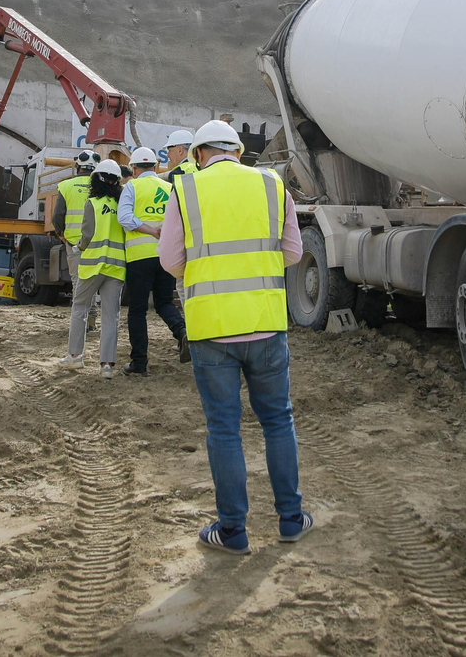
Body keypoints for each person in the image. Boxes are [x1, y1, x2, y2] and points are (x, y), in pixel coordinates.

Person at [161, 119, 310, 554]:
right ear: (239, 152)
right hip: (266, 322)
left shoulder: (185, 189)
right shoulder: (272, 184)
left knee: (224, 429)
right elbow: (293, 252)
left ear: (198, 155)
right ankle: (290, 519)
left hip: (211, 328)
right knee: (278, 420)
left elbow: (170, 260)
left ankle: (233, 531)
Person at [118, 147, 187, 375]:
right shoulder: (169, 187)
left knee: (137, 310)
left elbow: (124, 218)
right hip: (165, 255)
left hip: (139, 258)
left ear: (134, 168)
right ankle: (182, 332)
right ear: (156, 167)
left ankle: (139, 363)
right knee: (165, 303)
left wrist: (149, 230)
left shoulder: (132, 186)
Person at [60, 159, 126, 377]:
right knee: (111, 315)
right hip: (116, 267)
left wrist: (78, 247)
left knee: (80, 307)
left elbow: (87, 235)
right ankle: (106, 365)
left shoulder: (93, 204)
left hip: (92, 266)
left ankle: (75, 356)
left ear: (95, 180)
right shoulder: (122, 206)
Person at [53, 149, 97, 327]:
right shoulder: (100, 185)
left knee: (78, 281)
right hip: (97, 241)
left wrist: (60, 234)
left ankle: (80, 321)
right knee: (93, 280)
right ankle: (91, 319)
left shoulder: (66, 186)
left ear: (78, 166)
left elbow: (58, 215)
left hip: (73, 242)